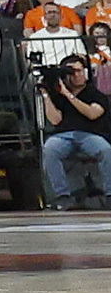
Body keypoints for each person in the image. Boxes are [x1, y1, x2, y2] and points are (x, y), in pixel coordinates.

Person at [42, 52, 110, 206]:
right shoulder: (58, 94)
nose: (77, 75)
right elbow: (55, 120)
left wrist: (69, 95)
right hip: (63, 135)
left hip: (90, 134)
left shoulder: (95, 93)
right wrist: (46, 95)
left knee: (105, 150)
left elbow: (92, 113)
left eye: (80, 71)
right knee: (49, 149)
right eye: (72, 72)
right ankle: (62, 196)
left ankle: (110, 193)